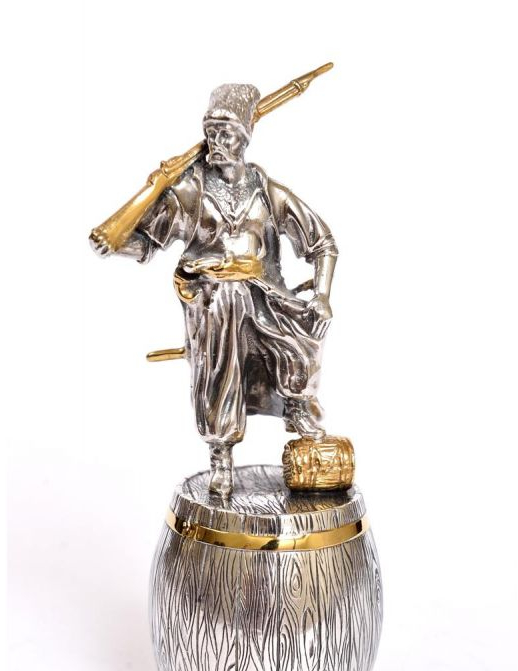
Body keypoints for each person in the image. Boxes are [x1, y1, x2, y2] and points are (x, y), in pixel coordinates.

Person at [93, 83, 338, 497]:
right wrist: (118, 239)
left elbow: (323, 243)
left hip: (266, 297)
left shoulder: (267, 191)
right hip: (212, 302)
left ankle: (299, 411)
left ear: (244, 138)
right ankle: (221, 457)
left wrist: (323, 296)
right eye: (210, 132)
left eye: (226, 133)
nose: (216, 141)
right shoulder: (189, 192)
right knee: (220, 367)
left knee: (302, 341)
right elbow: (146, 243)